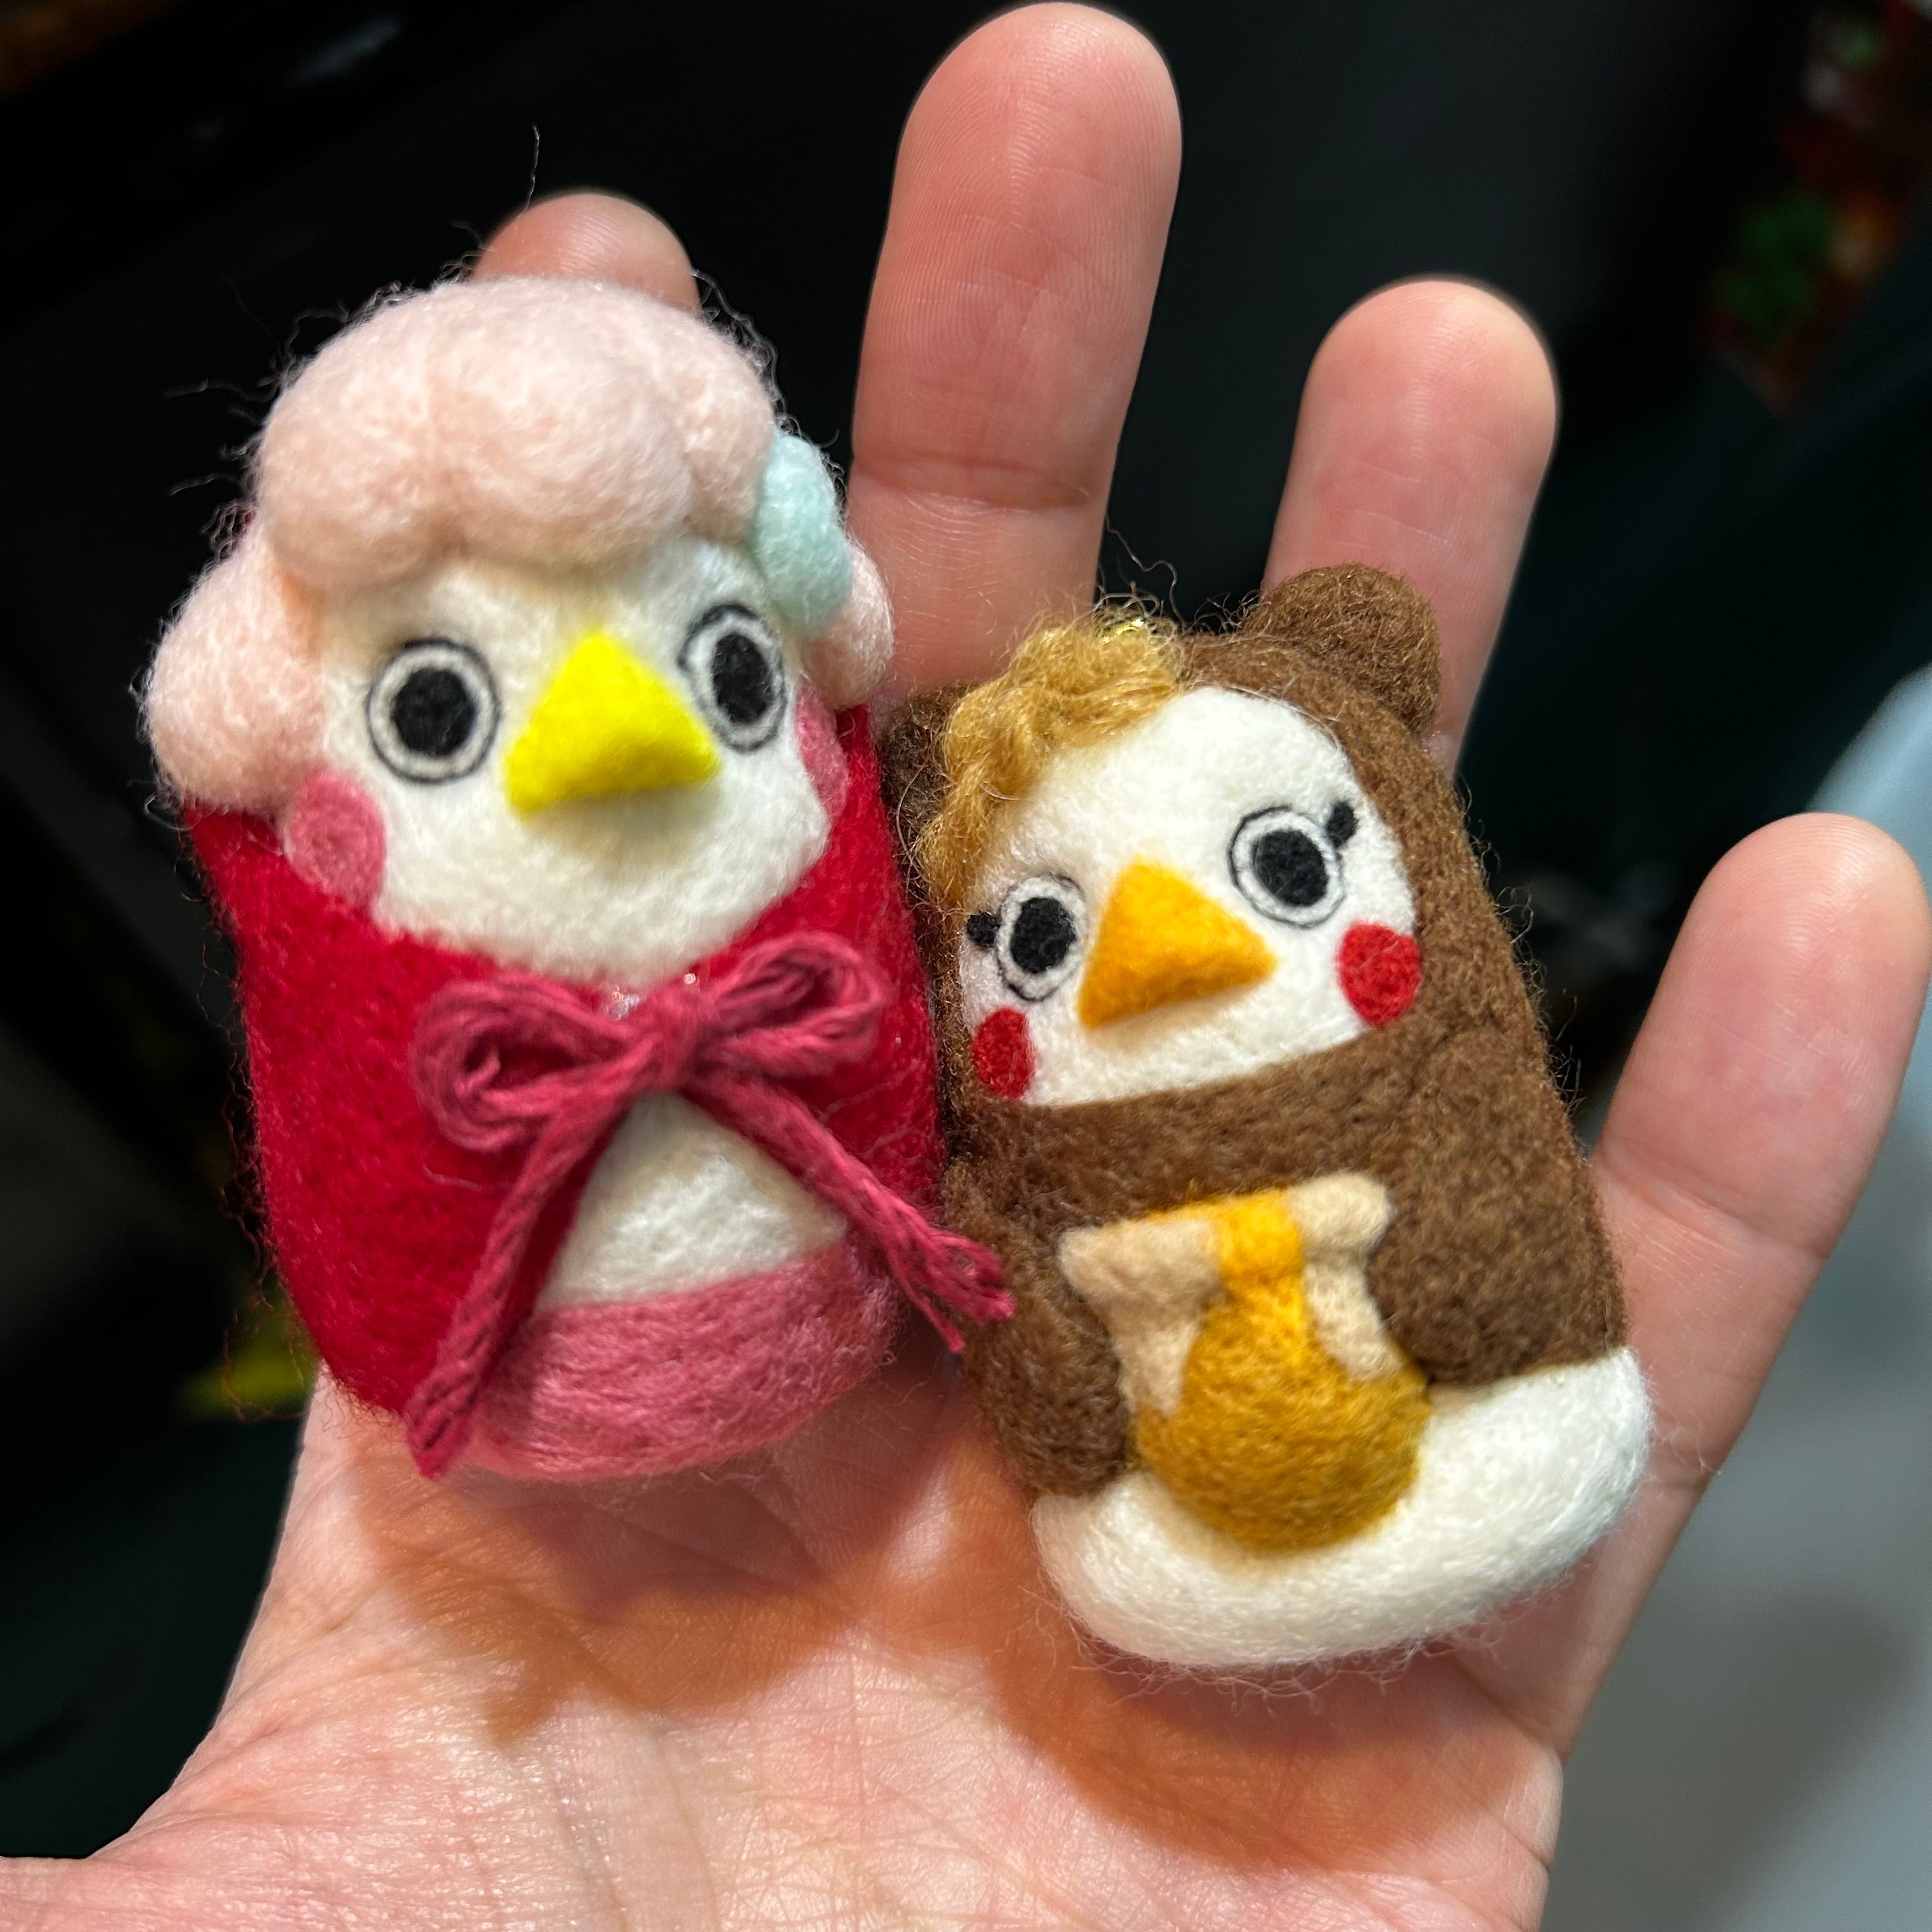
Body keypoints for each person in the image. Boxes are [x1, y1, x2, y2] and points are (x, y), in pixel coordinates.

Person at [4, 8, 1926, 1925]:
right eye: (438, 709)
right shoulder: (354, 848)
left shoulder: (1315, 1096)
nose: (623, 742)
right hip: (558, 1375)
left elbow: (1349, 1256)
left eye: (727, 671)